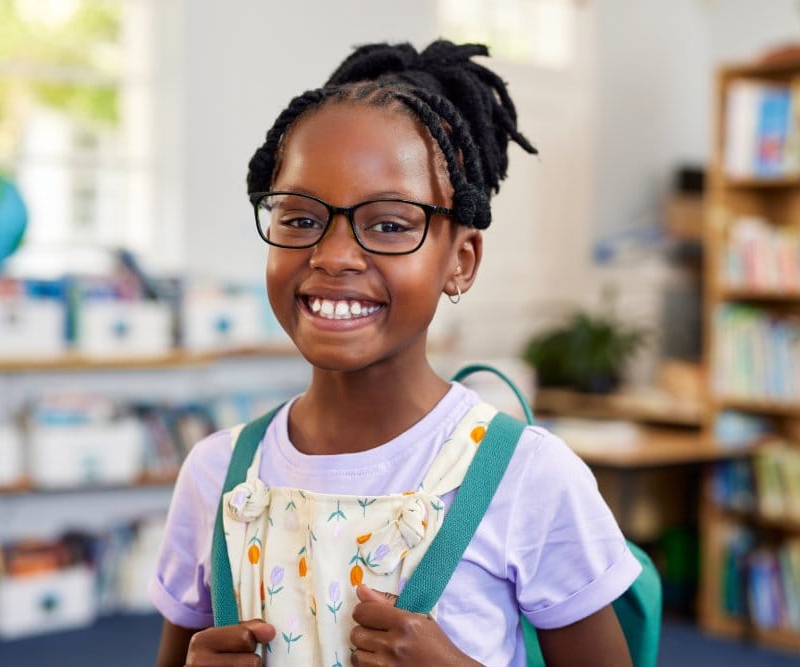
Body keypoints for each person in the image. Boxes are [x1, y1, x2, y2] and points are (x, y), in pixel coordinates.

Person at [151, 40, 640, 667]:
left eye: (388, 224)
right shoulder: (216, 475)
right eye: (299, 218)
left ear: (459, 262)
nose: (332, 255)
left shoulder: (530, 478)